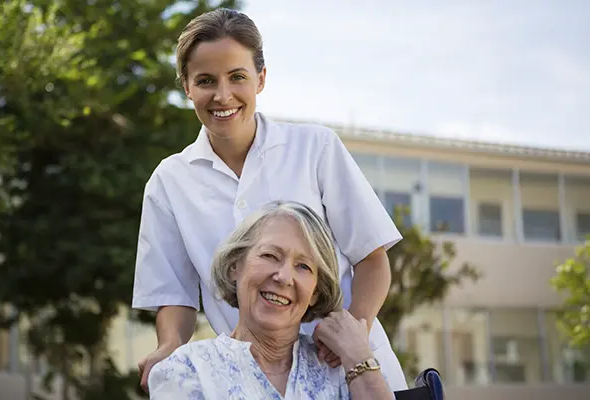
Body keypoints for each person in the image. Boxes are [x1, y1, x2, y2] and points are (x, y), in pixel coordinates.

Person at [132, 8, 407, 392]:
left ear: (261, 79)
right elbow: (174, 295)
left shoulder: (315, 148)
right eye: (206, 80)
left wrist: (351, 333)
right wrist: (170, 347)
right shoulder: (169, 181)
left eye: (237, 77)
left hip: (350, 369)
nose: (222, 95)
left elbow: (372, 259)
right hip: (251, 378)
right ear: (186, 86)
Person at [148, 201, 394, 399]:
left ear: (315, 293)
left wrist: (359, 355)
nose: (284, 277)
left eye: (303, 267)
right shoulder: (187, 370)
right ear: (235, 266)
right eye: (269, 255)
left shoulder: (342, 370)